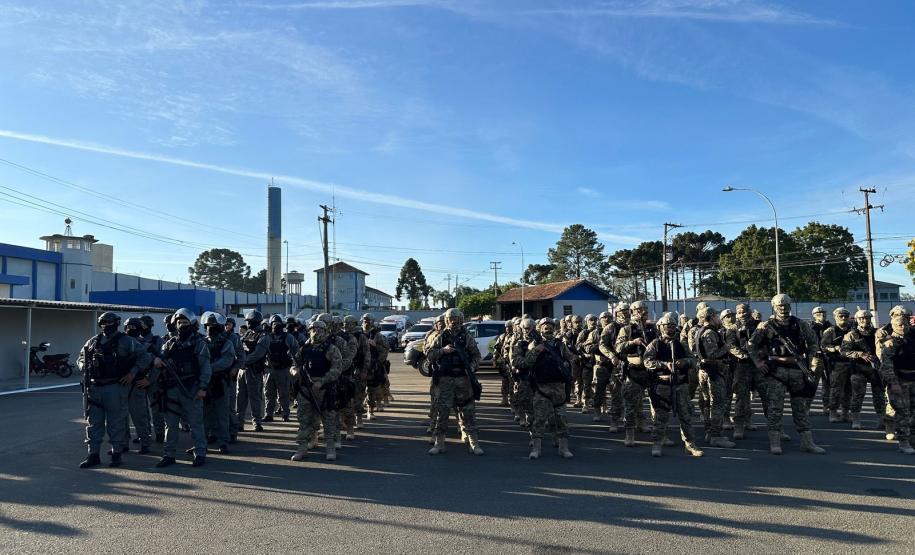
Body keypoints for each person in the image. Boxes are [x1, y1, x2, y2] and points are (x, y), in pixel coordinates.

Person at [748, 294, 825, 455]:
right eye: (779, 306)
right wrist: (758, 363)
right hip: (776, 372)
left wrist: (809, 360)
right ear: (774, 307)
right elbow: (751, 345)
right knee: (775, 408)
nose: (783, 309)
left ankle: (807, 442)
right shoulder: (766, 325)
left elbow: (813, 343)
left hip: (797, 371)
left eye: (786, 305)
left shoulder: (800, 324)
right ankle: (775, 443)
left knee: (801, 408)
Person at [77, 312, 150, 468]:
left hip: (115, 387)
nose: (105, 326)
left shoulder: (126, 341)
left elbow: (145, 357)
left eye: (108, 323)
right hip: (94, 387)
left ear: (116, 323)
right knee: (93, 424)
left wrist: (133, 373)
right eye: (102, 323)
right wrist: (84, 366)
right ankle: (93, 454)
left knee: (115, 422)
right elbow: (81, 358)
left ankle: (116, 453)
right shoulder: (93, 341)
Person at [153, 308, 211, 468]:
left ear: (192, 324)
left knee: (195, 423)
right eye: (179, 322)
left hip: (191, 389)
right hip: (172, 389)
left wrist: (202, 388)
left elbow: (206, 368)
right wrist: (157, 361)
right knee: (170, 425)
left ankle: (200, 453)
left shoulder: (199, 344)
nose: (181, 325)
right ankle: (168, 454)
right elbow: (160, 361)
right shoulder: (169, 344)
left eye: (185, 322)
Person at [643, 312, 704, 457]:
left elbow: (693, 360)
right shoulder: (655, 344)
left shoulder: (681, 344)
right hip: (663, 385)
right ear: (661, 327)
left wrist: (684, 362)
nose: (670, 329)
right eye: (667, 326)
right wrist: (664, 365)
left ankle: (690, 444)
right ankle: (657, 443)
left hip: (681, 385)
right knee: (661, 416)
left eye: (672, 326)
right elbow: (647, 361)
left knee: (686, 416)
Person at [425, 308, 483, 456]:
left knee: (468, 411)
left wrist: (470, 368)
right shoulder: (441, 336)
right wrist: (443, 351)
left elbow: (477, 356)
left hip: (463, 379)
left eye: (456, 318)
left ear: (461, 319)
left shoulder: (466, 337)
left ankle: (474, 443)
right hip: (445, 379)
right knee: (442, 411)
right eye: (450, 318)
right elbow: (430, 355)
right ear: (446, 320)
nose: (453, 321)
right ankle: (439, 443)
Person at [290, 320, 344, 462]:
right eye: (313, 329)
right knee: (304, 419)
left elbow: (337, 368)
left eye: (319, 329)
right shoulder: (305, 348)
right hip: (306, 390)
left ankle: (330, 447)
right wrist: (294, 370)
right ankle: (302, 448)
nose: (315, 332)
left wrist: (323, 381)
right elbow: (295, 364)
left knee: (329, 419)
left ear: (325, 331)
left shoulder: (331, 349)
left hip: (325, 389)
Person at [524, 318, 574, 459]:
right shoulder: (534, 343)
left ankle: (564, 448)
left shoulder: (560, 344)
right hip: (542, 388)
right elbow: (527, 361)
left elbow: (570, 359)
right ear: (540, 328)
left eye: (550, 326)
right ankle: (536, 449)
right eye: (545, 326)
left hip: (558, 387)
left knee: (561, 418)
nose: (548, 328)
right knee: (539, 419)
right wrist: (536, 351)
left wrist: (566, 364)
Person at [615, 300, 657, 446]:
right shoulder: (626, 329)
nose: (643, 312)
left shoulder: (653, 328)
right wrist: (632, 343)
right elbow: (619, 348)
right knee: (631, 404)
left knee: (657, 404)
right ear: (633, 312)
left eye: (645, 309)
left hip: (651, 372)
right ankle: (630, 433)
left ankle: (658, 434)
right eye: (639, 310)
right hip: (634, 373)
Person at [693, 307, 736, 448]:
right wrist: (727, 347)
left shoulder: (701, 330)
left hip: (706, 371)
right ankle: (716, 436)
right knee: (717, 404)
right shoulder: (710, 332)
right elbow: (711, 354)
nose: (719, 319)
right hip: (713, 372)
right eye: (717, 316)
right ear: (711, 317)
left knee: (707, 404)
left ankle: (710, 432)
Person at [841, 309, 888, 433]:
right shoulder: (851, 335)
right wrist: (860, 354)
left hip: (875, 369)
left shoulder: (878, 332)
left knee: (879, 395)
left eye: (867, 318)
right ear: (857, 320)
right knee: (857, 395)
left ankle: (881, 420)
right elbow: (844, 351)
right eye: (861, 318)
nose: (865, 320)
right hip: (858, 368)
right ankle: (856, 419)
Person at [725, 303, 764, 439]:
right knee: (742, 397)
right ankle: (739, 426)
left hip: (761, 365)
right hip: (742, 366)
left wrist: (760, 355)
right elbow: (730, 346)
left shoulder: (760, 326)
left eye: (744, 311)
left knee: (767, 396)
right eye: (739, 312)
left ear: (749, 311)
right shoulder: (732, 328)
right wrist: (745, 355)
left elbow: (768, 343)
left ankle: (776, 429)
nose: (742, 314)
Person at [879, 315, 915, 454]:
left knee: (913, 412)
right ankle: (904, 442)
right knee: (903, 413)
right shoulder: (890, 343)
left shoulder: (911, 340)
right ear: (893, 325)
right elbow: (886, 366)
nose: (903, 327)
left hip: (913, 379)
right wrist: (893, 383)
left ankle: (912, 440)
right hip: (899, 382)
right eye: (899, 325)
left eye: (905, 324)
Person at [201, 312, 236, 454]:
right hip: (204, 383)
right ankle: (201, 442)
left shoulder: (226, 343)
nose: (211, 327)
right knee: (204, 414)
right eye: (208, 325)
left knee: (222, 414)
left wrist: (208, 368)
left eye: (213, 325)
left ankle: (223, 442)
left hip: (220, 381)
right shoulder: (202, 342)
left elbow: (226, 361)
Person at [123, 317, 154, 454]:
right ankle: (122, 443)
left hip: (137, 384)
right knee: (120, 417)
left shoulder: (147, 345)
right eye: (128, 327)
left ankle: (145, 443)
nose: (130, 329)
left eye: (134, 327)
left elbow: (157, 364)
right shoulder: (119, 343)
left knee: (139, 416)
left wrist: (149, 379)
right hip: (121, 384)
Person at [263, 314, 298, 423]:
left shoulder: (288, 337)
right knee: (269, 393)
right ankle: (269, 414)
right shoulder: (267, 337)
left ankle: (285, 414)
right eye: (274, 324)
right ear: (270, 325)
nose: (276, 326)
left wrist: (294, 364)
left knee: (284, 393)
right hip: (269, 369)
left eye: (278, 324)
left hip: (283, 369)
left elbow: (296, 350)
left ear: (282, 325)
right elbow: (260, 351)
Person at [238, 310, 269, 432]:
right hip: (243, 370)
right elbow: (239, 348)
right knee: (240, 397)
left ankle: (256, 422)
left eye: (250, 322)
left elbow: (257, 354)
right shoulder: (247, 334)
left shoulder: (263, 336)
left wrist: (243, 362)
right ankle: (239, 422)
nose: (248, 324)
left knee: (255, 397)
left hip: (254, 370)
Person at [821, 308, 853, 423]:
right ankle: (833, 412)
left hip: (852, 363)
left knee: (850, 390)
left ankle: (845, 413)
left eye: (846, 316)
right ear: (835, 317)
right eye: (841, 316)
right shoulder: (830, 331)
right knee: (836, 390)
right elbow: (823, 347)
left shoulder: (852, 330)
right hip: (837, 364)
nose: (843, 318)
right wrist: (834, 348)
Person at [510, 317, 538, 428]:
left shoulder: (541, 342)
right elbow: (516, 360)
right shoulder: (520, 344)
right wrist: (531, 357)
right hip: (525, 377)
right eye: (525, 328)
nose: (528, 330)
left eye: (531, 328)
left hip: (540, 379)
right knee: (522, 400)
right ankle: (523, 417)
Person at [362, 313, 389, 420]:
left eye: (368, 320)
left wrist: (375, 346)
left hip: (373, 366)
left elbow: (386, 348)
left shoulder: (377, 335)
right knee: (358, 390)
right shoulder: (359, 334)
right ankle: (358, 414)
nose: (366, 322)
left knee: (372, 388)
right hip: (360, 366)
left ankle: (371, 410)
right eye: (364, 320)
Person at [224, 317, 245, 444]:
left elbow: (241, 356)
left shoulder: (235, 338)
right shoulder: (217, 336)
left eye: (229, 324)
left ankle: (232, 432)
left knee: (231, 406)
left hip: (230, 375)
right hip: (217, 375)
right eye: (226, 324)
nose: (227, 326)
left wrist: (236, 368)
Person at [810, 307, 832, 414]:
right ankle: (806, 406)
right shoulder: (811, 327)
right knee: (812, 383)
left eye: (823, 312)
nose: (821, 315)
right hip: (816, 358)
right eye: (818, 313)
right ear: (814, 315)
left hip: (829, 358)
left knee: (828, 383)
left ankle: (826, 406)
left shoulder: (830, 327)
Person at [575, 314, 598, 413]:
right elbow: (578, 346)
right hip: (586, 362)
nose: (593, 322)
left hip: (597, 362)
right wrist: (585, 353)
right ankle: (585, 403)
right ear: (586, 322)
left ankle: (600, 405)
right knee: (586, 384)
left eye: (594, 320)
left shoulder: (599, 331)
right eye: (590, 320)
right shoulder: (583, 333)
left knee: (598, 384)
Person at [492, 320, 515, 407]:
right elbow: (497, 349)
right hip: (504, 364)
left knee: (512, 384)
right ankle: (504, 400)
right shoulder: (502, 337)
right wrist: (494, 359)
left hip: (512, 364)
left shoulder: (516, 337)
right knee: (504, 383)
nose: (508, 328)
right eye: (507, 327)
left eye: (510, 326)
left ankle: (513, 402)